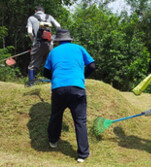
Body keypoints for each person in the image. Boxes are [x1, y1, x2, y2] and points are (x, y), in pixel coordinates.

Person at [43, 29, 95, 163]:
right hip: (77, 87)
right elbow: (92, 65)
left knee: (56, 115)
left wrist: (54, 78)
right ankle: (83, 154)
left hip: (58, 88)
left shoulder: (53, 52)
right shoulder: (79, 48)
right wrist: (83, 76)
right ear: (70, 39)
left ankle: (53, 141)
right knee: (80, 121)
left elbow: (45, 72)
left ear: (58, 40)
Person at [26, 6, 61, 86]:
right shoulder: (49, 17)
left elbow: (29, 32)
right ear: (43, 11)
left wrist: (33, 41)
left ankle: (31, 84)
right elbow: (58, 26)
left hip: (37, 44)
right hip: (49, 44)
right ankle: (55, 82)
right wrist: (54, 38)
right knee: (52, 63)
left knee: (33, 65)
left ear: (35, 11)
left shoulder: (31, 18)